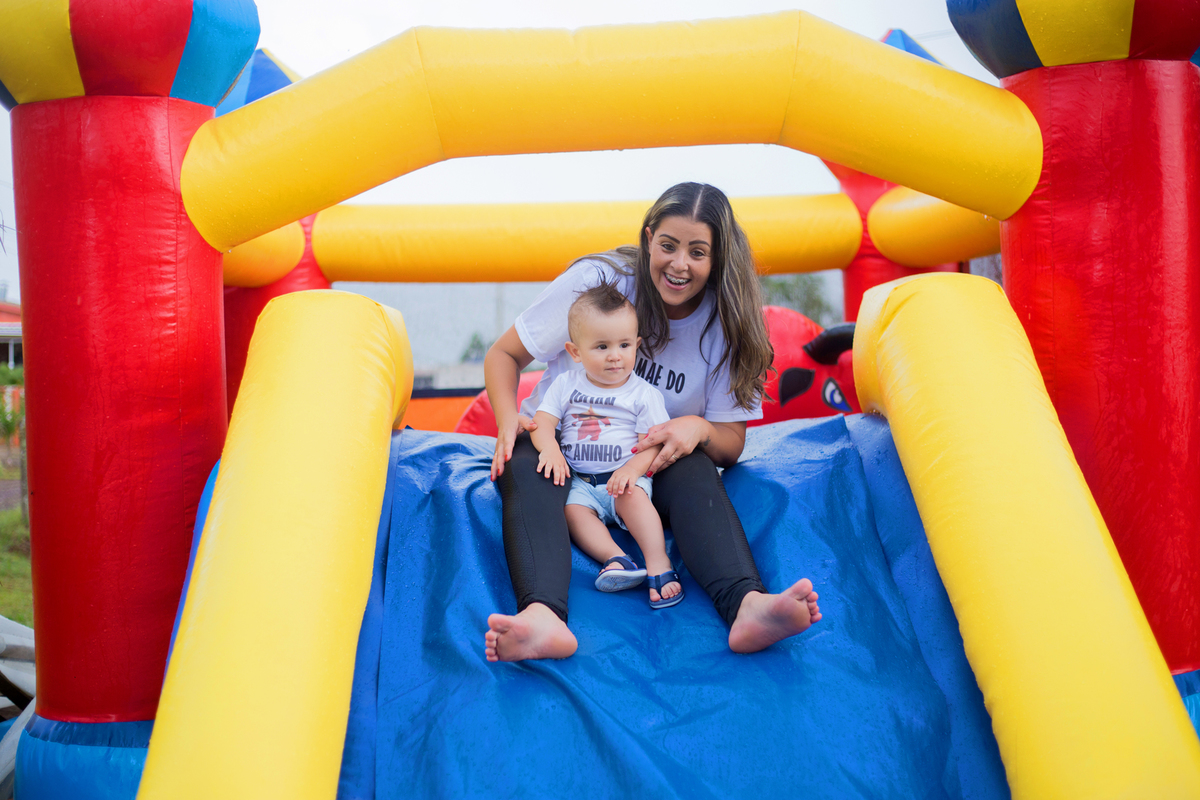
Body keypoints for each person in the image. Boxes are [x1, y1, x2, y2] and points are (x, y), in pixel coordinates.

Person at [484, 182, 822, 663]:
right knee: (525, 462)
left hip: (645, 465)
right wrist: (505, 423)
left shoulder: (722, 324)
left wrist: (698, 429)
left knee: (694, 462)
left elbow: (730, 443)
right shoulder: (599, 285)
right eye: (668, 245)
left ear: (718, 258)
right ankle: (543, 618)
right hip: (558, 450)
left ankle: (747, 604)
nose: (679, 264)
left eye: (697, 252)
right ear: (648, 240)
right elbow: (504, 355)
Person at [529, 281, 683, 609]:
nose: (615, 356)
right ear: (575, 352)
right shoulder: (566, 385)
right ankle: (616, 559)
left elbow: (654, 444)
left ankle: (659, 563)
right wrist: (550, 449)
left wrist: (631, 469)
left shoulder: (643, 394)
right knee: (572, 511)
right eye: (601, 347)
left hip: (624, 479)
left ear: (636, 345)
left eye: (624, 345)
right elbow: (541, 424)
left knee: (635, 501)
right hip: (582, 483)